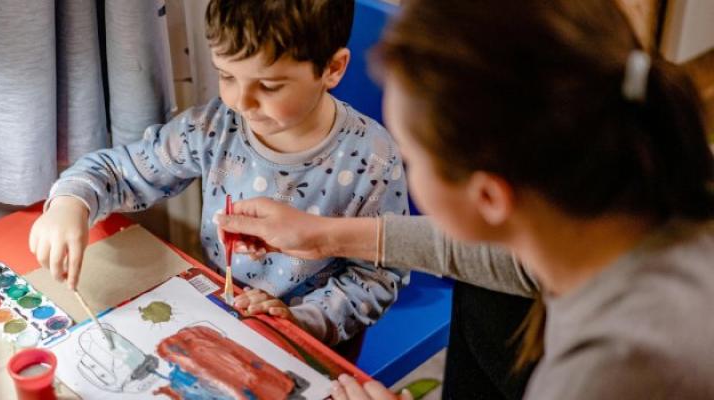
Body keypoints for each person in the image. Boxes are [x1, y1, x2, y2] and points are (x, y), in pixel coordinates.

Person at [217, 0, 714, 398]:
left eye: (411, 156)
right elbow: (509, 262)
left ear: (490, 196)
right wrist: (324, 235)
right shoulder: (623, 208)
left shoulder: (614, 370)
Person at [28, 0, 410, 348]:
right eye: (227, 77)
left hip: (312, 339)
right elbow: (119, 170)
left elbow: (376, 276)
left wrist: (299, 321)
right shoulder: (214, 126)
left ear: (332, 68)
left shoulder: (372, 159)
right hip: (220, 310)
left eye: (269, 86)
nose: (240, 103)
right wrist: (71, 203)